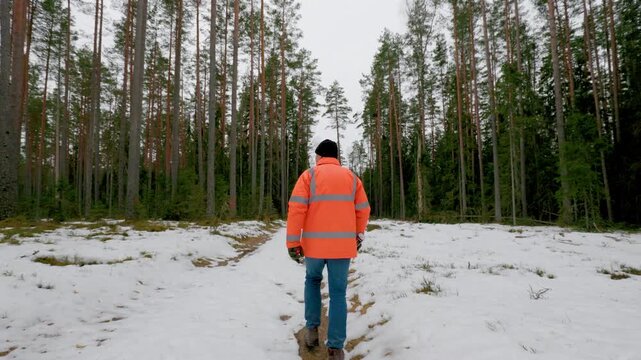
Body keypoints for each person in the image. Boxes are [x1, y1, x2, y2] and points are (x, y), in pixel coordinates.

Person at [286, 139, 370, 360]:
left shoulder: (309, 176)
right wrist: (358, 235)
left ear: (320, 157)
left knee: (312, 281)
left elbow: (296, 209)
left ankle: (312, 332)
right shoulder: (352, 178)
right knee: (338, 294)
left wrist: (293, 243)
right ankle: (335, 348)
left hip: (314, 246)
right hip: (342, 248)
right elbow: (363, 209)